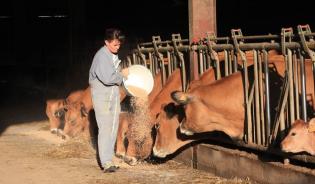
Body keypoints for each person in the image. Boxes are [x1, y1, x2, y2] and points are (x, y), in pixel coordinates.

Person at [89, 28, 128, 173]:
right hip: (102, 95)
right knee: (105, 127)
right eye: (114, 45)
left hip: (111, 94)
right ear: (106, 42)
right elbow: (107, 78)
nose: (117, 47)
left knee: (112, 127)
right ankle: (106, 162)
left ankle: (109, 158)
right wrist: (122, 75)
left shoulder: (111, 55)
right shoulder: (102, 56)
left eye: (119, 45)